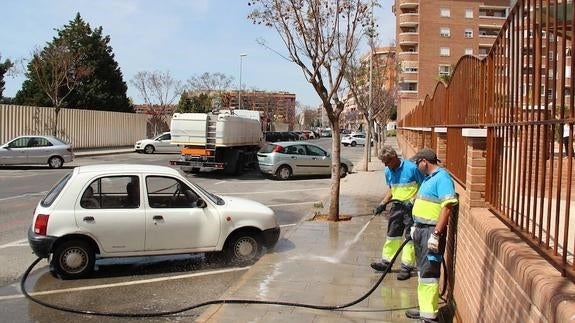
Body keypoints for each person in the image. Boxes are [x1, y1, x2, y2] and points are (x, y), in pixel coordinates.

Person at [405, 148, 458, 322]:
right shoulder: (429, 179)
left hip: (430, 231)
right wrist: (415, 226)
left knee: (429, 272)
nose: (415, 166)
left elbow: (447, 206)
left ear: (424, 162)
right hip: (421, 230)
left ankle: (429, 316)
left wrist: (436, 233)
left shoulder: (442, 178)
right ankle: (425, 309)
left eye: (417, 163)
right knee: (422, 271)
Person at [370, 145, 424, 280]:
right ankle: (386, 262)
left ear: (394, 157)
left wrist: (412, 200)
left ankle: (406, 267)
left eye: (387, 162)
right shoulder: (388, 171)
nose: (386, 165)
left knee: (408, 238)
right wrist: (382, 203)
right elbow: (391, 189)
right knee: (392, 235)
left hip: (411, 209)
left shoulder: (412, 168)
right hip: (397, 207)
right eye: (384, 163)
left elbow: (424, 186)